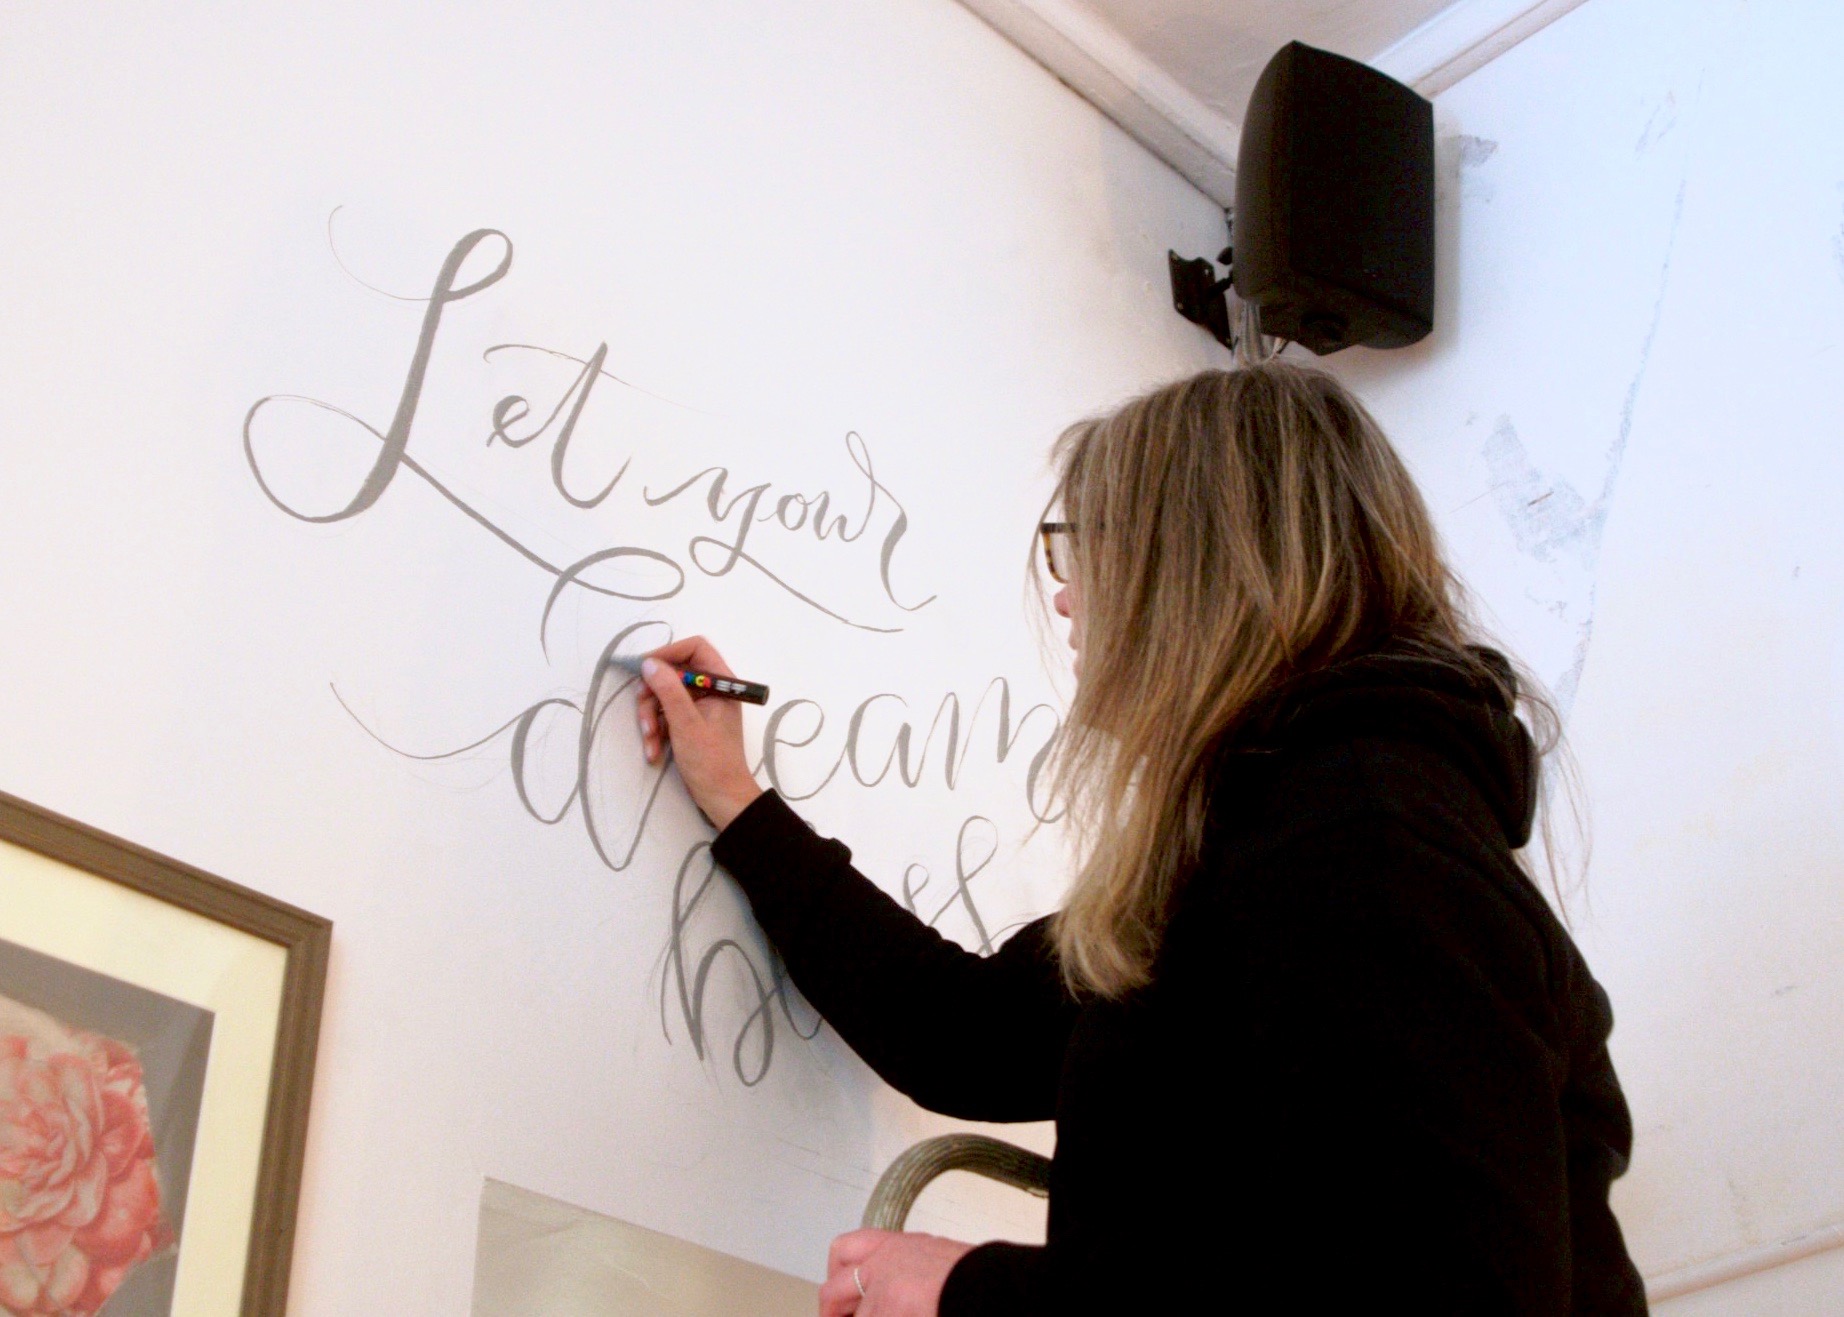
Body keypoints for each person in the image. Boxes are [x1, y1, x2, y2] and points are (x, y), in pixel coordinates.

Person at [633, 362, 1648, 1316]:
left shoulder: (1367, 847)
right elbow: (964, 1034)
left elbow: (1425, 1294)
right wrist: (736, 799)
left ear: (1194, 567)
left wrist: (974, 1293)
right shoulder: (1259, 842)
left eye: (1087, 546)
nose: (1065, 595)